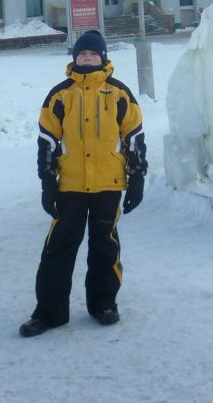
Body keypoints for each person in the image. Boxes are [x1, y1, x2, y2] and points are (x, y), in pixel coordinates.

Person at [19, 29, 147, 338]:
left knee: (105, 245)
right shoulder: (60, 94)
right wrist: (48, 183)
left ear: (103, 58)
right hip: (70, 186)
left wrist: (137, 177)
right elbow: (48, 141)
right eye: (82, 54)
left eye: (92, 54)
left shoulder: (119, 94)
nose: (87, 58)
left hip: (108, 184)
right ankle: (49, 312)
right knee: (58, 249)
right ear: (74, 58)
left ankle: (103, 303)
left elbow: (134, 139)